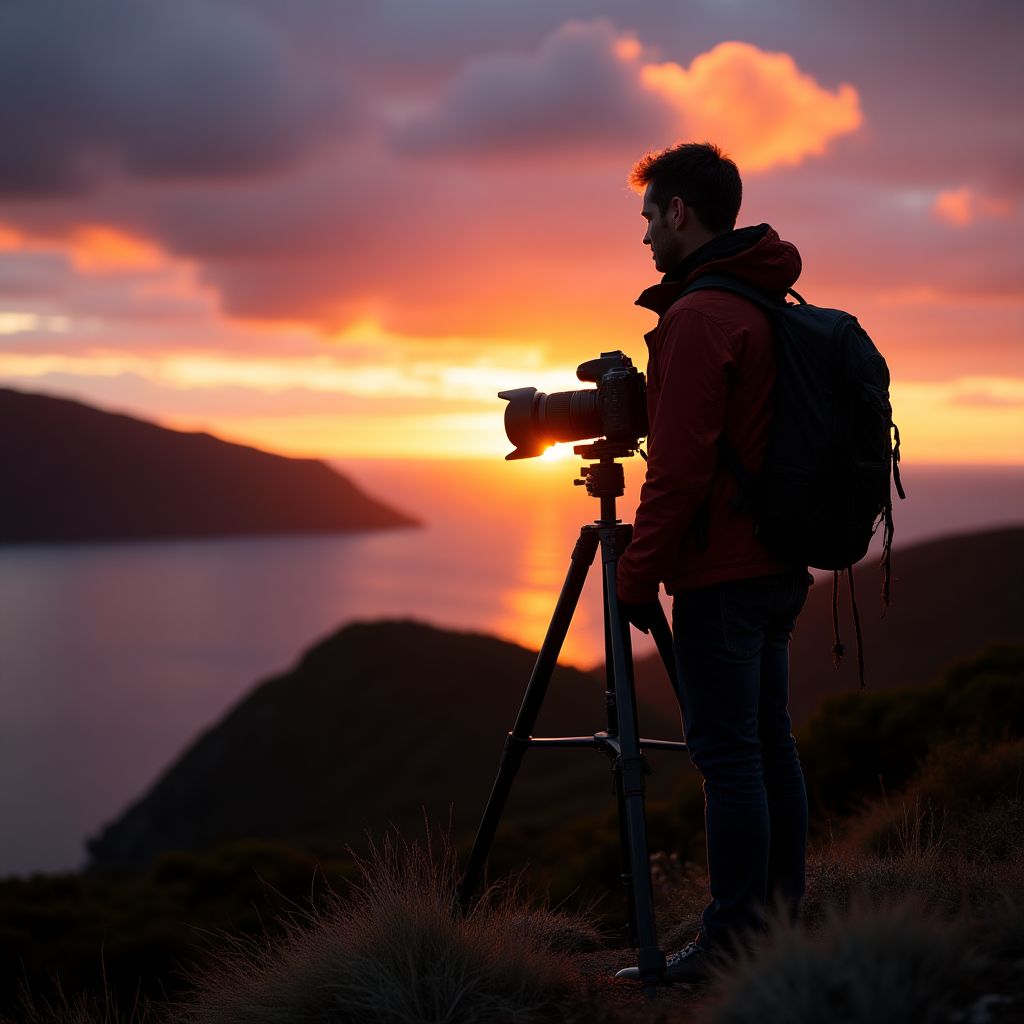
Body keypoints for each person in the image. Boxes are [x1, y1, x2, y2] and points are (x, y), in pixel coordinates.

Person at [614, 142, 811, 985]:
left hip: (722, 578)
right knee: (769, 747)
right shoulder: (765, 302)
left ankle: (731, 943)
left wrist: (633, 571)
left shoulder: (699, 316)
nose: (646, 237)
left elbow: (681, 466)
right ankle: (777, 925)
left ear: (681, 212)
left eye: (650, 218)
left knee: (728, 759)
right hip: (776, 567)